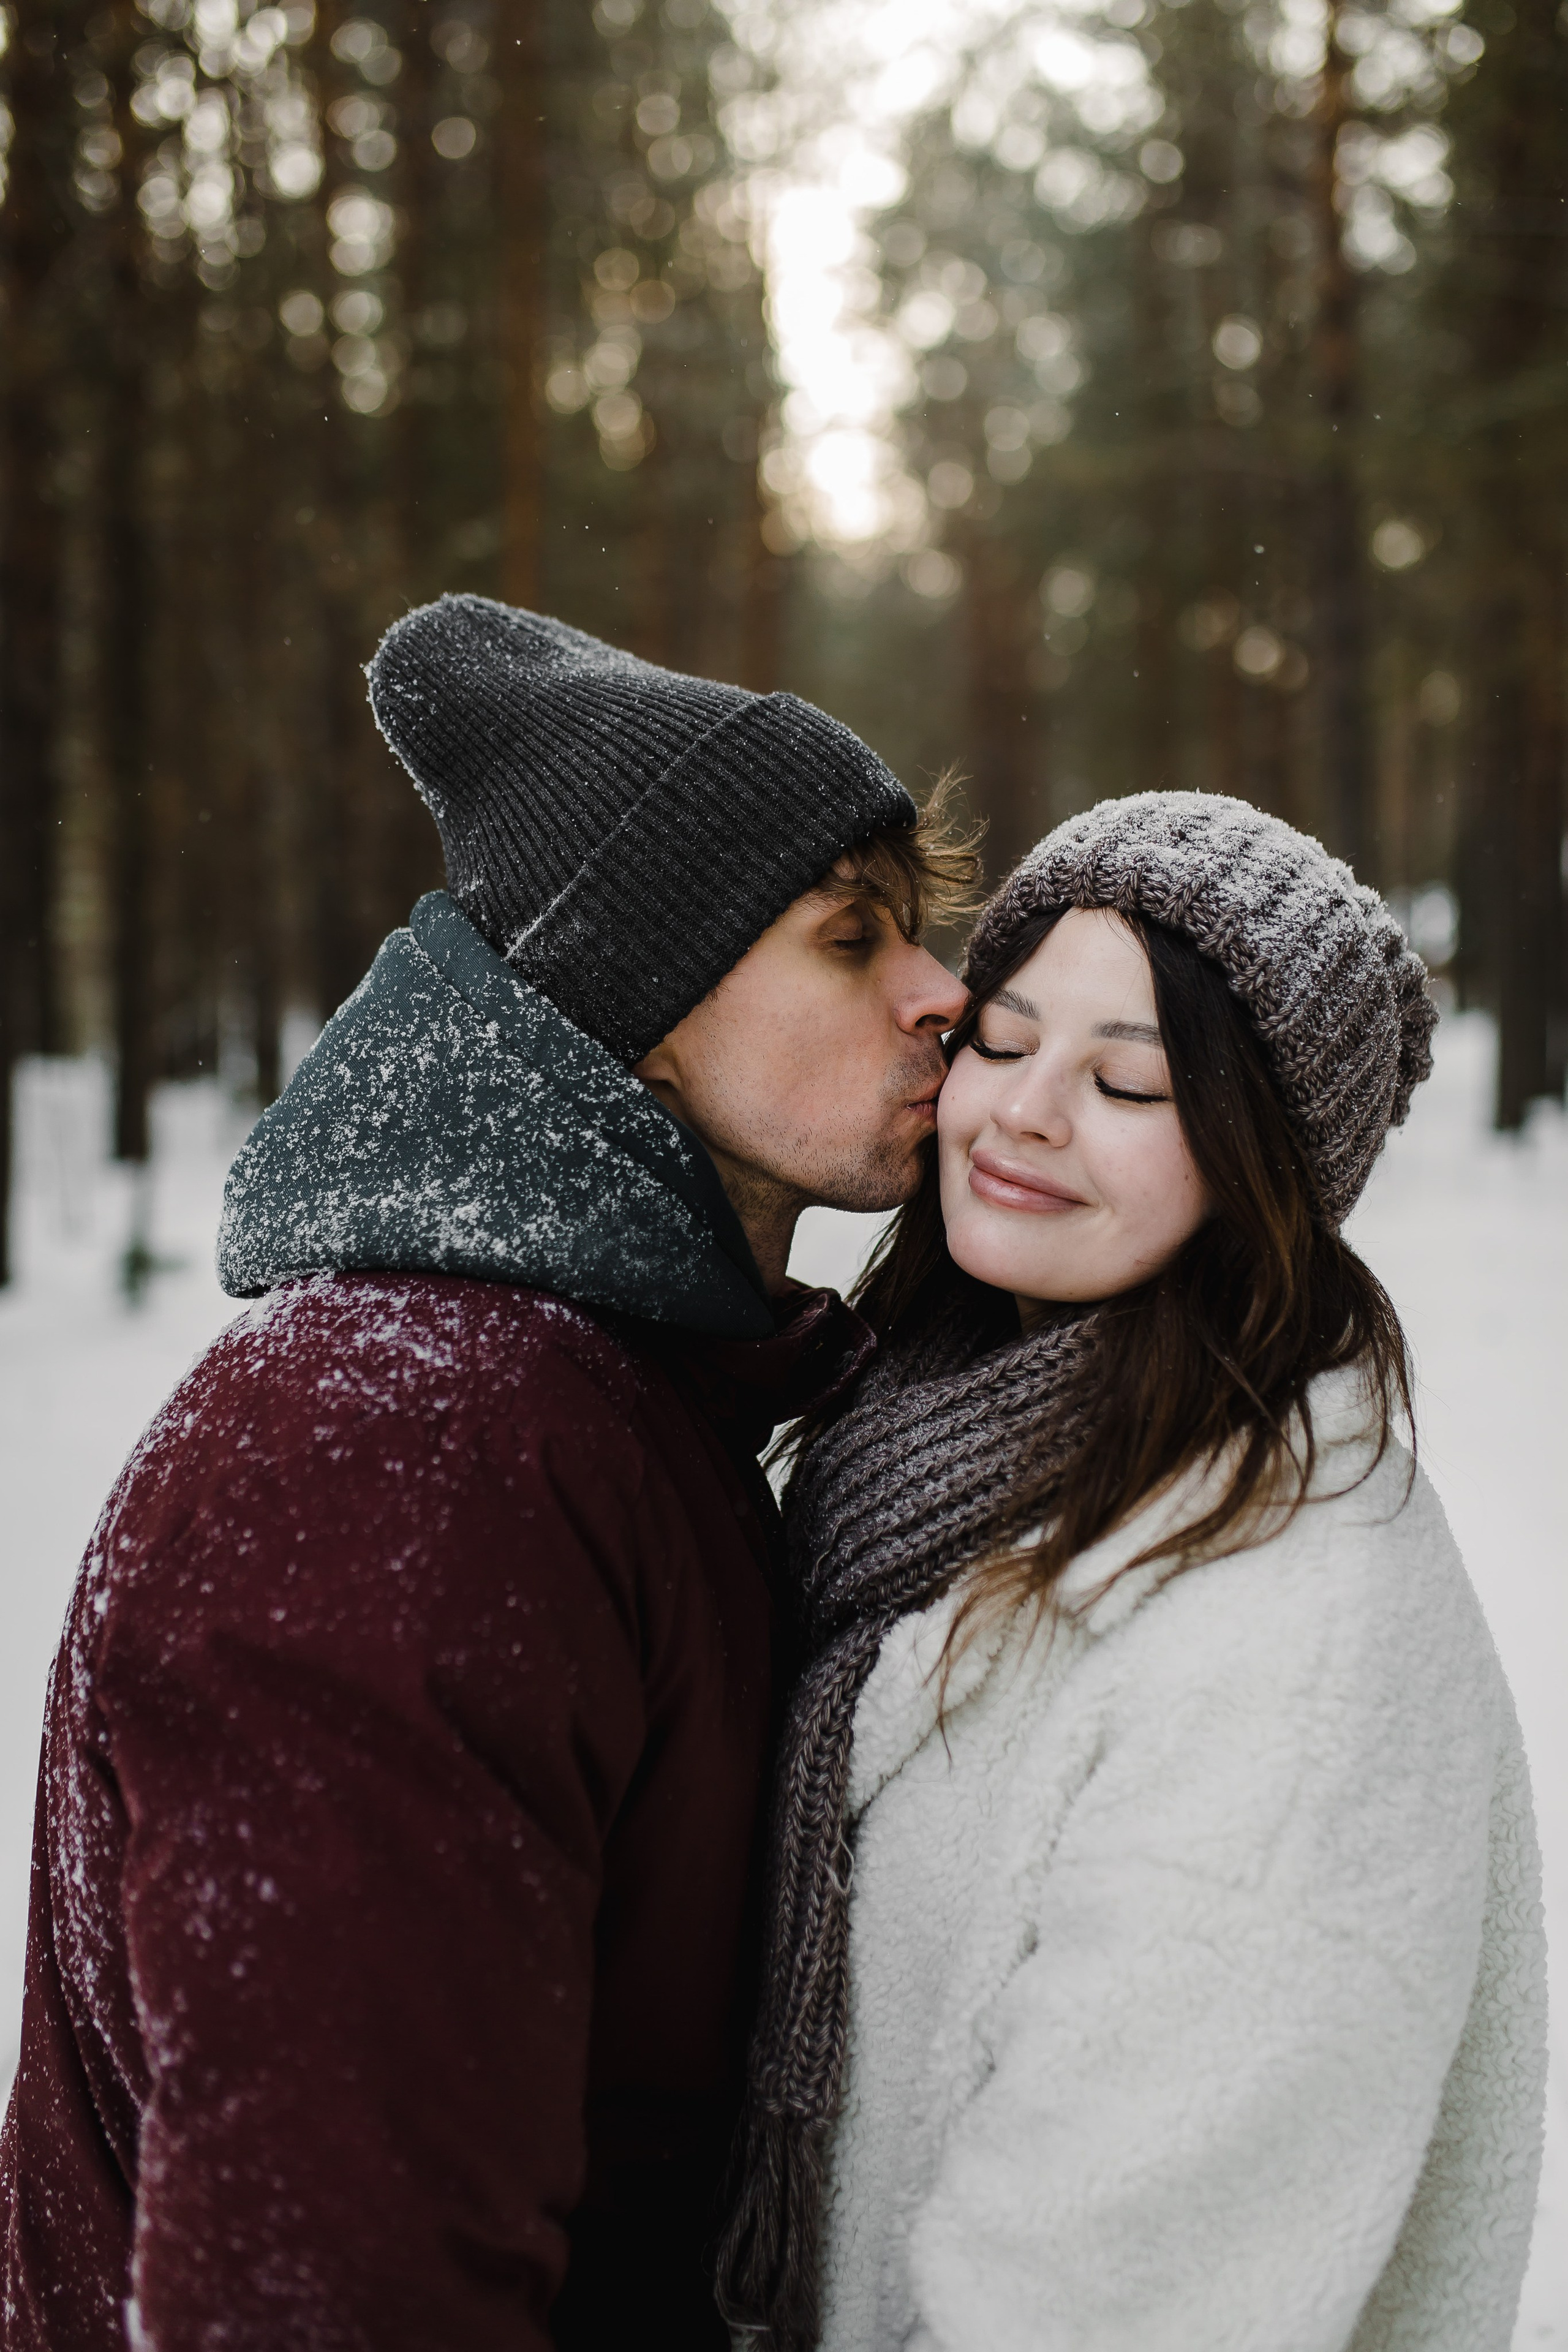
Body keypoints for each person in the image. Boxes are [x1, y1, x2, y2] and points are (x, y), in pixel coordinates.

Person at [0, 595, 973, 2352]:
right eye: (854, 936)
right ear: (641, 995)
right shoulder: (401, 1452)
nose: (942, 995)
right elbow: (340, 2295)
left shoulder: (604, 1400)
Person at [719, 792, 1548, 2352]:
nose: (1025, 1112)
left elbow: (1108, 2296)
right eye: (1006, 1039)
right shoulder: (929, 1456)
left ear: (1257, 1173)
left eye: (1126, 1082)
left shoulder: (1290, 1641)